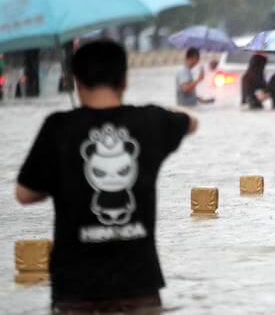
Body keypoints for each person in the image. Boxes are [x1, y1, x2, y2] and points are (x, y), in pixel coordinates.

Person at [15, 40, 197, 313]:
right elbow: (192, 122)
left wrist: (63, 177)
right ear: (125, 79)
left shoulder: (58, 127)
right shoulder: (150, 122)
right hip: (139, 289)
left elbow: (25, 194)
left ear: (75, 80)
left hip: (76, 292)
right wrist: (159, 114)